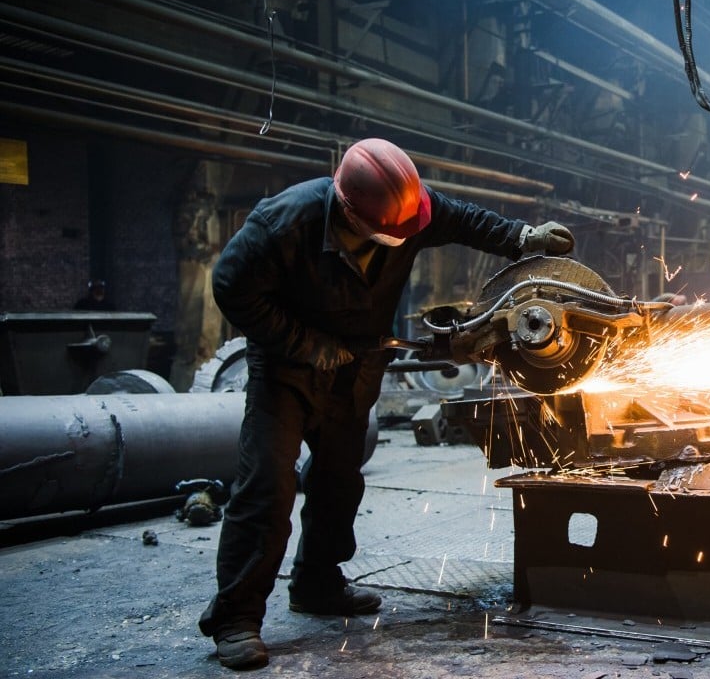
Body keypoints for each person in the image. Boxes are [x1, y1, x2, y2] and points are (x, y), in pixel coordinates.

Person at [198, 138, 574, 670]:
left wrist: (521, 236)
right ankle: (235, 618)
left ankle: (318, 583)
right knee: (266, 485)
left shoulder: (408, 209)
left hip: (356, 366)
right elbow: (231, 288)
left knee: (339, 479)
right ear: (352, 214)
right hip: (286, 372)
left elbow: (463, 219)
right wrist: (307, 344)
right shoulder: (282, 225)